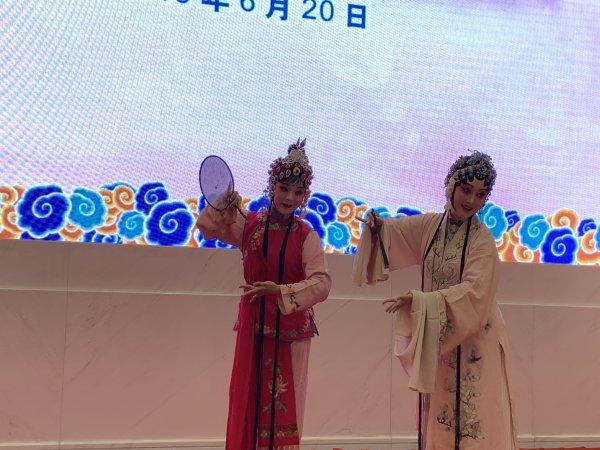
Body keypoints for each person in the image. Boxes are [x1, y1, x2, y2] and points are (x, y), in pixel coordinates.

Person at [353, 151, 517, 449]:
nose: (471, 200)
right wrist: (378, 228)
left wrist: (421, 301)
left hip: (475, 338)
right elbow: (396, 232)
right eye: (466, 190)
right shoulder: (431, 226)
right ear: (451, 185)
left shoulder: (482, 240)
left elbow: (475, 291)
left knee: (473, 418)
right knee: (440, 412)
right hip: (440, 335)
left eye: (481, 195)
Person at [196, 139, 331, 450]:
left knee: (287, 406)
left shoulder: (306, 235)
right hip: (255, 326)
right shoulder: (251, 225)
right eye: (284, 188)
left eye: (298, 192)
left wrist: (281, 291)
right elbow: (206, 226)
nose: (290, 198)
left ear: (305, 196)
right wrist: (223, 204)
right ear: (273, 186)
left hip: (292, 333)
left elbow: (322, 283)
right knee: (249, 402)